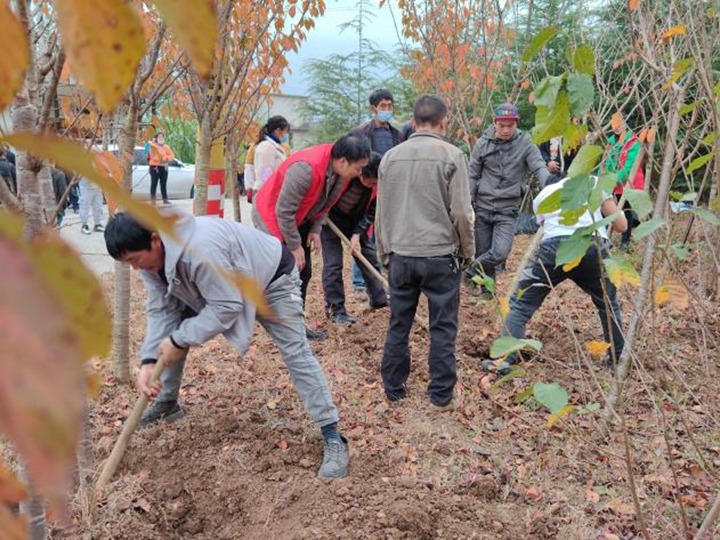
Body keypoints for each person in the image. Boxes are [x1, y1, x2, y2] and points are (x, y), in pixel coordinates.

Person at [104, 210, 350, 479]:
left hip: (271, 279)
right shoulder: (152, 261)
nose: (136, 268)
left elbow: (227, 306)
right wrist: (149, 361)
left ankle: (332, 435)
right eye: (128, 263)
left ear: (154, 240)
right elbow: (161, 309)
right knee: (174, 331)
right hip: (228, 283)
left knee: (296, 351)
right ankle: (166, 404)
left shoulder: (200, 249)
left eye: (135, 260)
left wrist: (179, 339)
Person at [375, 94, 475, 409]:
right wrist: (467, 251)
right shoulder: (452, 155)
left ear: (413, 122)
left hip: (401, 255)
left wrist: (383, 253)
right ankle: (441, 395)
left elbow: (382, 212)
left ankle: (394, 389)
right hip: (440, 256)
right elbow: (461, 212)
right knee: (442, 328)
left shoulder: (389, 157)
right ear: (444, 123)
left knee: (398, 323)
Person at [482, 175, 628, 376]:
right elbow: (622, 226)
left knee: (520, 305)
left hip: (553, 249)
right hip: (591, 245)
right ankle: (617, 360)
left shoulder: (543, 196)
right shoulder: (594, 182)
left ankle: (504, 360)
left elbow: (545, 228)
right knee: (608, 304)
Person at [252, 134, 371, 341]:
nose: (360, 173)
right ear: (343, 161)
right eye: (358, 167)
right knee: (285, 270)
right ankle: (267, 318)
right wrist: (294, 246)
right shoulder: (306, 168)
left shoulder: (340, 174)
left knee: (303, 271)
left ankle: (296, 325)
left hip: (300, 217)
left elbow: (326, 204)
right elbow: (283, 211)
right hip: (272, 216)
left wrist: (315, 229)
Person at [465, 103, 550, 296]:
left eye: (510, 126)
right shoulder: (482, 144)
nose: (505, 130)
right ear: (494, 123)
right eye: (501, 125)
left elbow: (538, 166)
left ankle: (470, 271)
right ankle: (488, 293)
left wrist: (550, 184)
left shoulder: (525, 143)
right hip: (482, 206)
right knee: (483, 251)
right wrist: (469, 201)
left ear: (516, 124)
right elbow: (472, 174)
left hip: (507, 209)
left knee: (500, 253)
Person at [349, 89, 406, 295]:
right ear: (374, 108)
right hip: (366, 188)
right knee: (365, 234)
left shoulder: (397, 135)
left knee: (386, 234)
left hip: (389, 189)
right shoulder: (361, 133)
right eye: (383, 106)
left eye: (390, 106)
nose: (387, 110)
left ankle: (383, 275)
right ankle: (359, 281)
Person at [321, 152, 387, 325]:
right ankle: (336, 310)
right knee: (333, 264)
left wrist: (357, 233)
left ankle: (379, 300)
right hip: (330, 221)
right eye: (372, 182)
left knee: (368, 258)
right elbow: (322, 195)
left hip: (356, 221)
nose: (374, 185)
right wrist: (322, 212)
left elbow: (372, 212)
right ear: (360, 173)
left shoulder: (377, 186)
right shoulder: (344, 177)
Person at [598, 119, 645, 250]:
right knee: (604, 210)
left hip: (627, 182)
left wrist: (613, 180)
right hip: (611, 182)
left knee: (626, 211)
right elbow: (604, 162)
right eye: (614, 124)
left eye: (620, 124)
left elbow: (629, 166)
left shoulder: (633, 142)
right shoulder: (611, 142)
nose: (617, 127)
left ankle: (625, 241)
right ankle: (605, 237)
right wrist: (600, 178)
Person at [253, 115, 291, 195]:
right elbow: (265, 173)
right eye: (285, 131)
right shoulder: (266, 146)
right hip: (266, 192)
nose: (285, 135)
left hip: (272, 191)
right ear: (277, 131)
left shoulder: (275, 146)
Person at [148, 132, 175, 204]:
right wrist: (162, 158)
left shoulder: (166, 146)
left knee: (163, 184)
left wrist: (165, 158)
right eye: (159, 137)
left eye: (162, 137)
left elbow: (172, 156)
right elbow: (153, 157)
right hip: (155, 167)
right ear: (156, 138)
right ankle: (153, 200)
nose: (161, 138)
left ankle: (165, 199)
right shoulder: (152, 146)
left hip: (164, 167)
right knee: (154, 184)